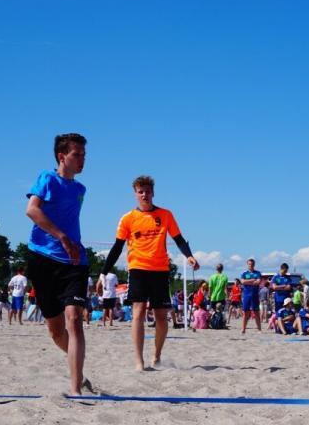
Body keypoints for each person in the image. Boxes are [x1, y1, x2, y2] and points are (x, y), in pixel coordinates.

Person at [100, 175, 199, 371]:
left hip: (160, 269)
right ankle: (139, 361)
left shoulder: (165, 215)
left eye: (147, 191)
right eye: (140, 191)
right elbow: (117, 247)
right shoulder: (128, 218)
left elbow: (179, 239)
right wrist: (104, 271)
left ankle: (156, 356)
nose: (144, 194)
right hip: (137, 268)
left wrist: (189, 256)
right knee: (138, 312)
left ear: (153, 192)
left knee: (162, 316)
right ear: (135, 194)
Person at [24, 133, 92, 395]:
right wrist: (60, 235)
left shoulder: (80, 189)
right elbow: (32, 210)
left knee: (74, 320)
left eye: (84, 155)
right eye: (77, 154)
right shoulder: (47, 178)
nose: (82, 159)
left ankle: (75, 389)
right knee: (55, 331)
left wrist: (70, 240)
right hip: (43, 258)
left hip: (74, 261)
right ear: (62, 156)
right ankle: (80, 372)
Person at [239, 259, 262, 334]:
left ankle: (259, 329)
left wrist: (247, 282)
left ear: (254, 264)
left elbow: (258, 282)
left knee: (256, 312)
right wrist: (252, 280)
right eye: (249, 264)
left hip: (255, 295)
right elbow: (242, 282)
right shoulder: (244, 273)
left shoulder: (257, 273)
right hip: (246, 295)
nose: (250, 265)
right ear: (247, 264)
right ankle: (243, 329)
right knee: (246, 312)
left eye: (252, 264)